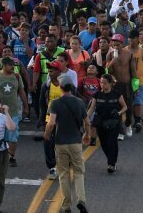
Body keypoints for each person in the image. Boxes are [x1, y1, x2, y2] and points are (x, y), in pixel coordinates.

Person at [43, 72, 90, 213]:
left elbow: (51, 123)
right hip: (75, 142)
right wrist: (87, 134)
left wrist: (46, 135)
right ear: (72, 87)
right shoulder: (79, 102)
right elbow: (87, 122)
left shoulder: (55, 103)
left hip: (60, 143)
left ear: (61, 87)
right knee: (79, 172)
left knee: (63, 174)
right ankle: (81, 200)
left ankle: (66, 205)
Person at [86, 73, 126, 174]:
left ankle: (111, 164)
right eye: (101, 83)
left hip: (113, 122)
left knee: (112, 142)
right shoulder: (97, 95)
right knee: (104, 144)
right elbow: (91, 108)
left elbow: (125, 107)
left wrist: (119, 113)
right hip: (100, 123)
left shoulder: (117, 94)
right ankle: (111, 160)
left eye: (104, 83)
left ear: (110, 83)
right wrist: (85, 117)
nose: (102, 85)